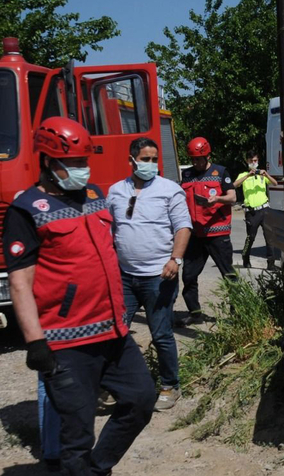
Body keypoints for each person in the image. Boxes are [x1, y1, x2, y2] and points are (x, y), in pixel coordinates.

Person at [3, 117, 155, 474]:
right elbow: (20, 282)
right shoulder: (26, 209)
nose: (81, 169)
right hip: (66, 343)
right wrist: (34, 341)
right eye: (72, 163)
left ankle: (98, 468)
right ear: (47, 162)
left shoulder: (94, 195)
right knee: (77, 434)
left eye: (83, 162)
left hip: (114, 333)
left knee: (141, 400)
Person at [107, 137, 192, 410]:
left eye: (154, 159)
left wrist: (175, 260)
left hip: (159, 277)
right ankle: (114, 384)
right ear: (131, 160)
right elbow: (109, 230)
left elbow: (183, 227)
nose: (151, 164)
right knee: (116, 332)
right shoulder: (115, 191)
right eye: (145, 159)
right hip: (124, 277)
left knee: (161, 333)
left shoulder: (170, 190)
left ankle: (170, 385)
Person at [179, 137, 237, 327]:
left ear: (207, 156)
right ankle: (195, 313)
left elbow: (233, 197)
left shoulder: (220, 172)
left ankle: (238, 314)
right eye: (193, 159)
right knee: (188, 275)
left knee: (229, 275)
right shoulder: (187, 175)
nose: (195, 163)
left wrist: (217, 199)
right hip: (195, 235)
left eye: (199, 159)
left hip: (217, 234)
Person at [234, 150, 279, 270]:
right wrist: (248, 175)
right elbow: (234, 185)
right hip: (251, 212)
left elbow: (275, 183)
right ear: (247, 161)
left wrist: (266, 175)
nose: (254, 163)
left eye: (255, 160)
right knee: (251, 237)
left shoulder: (262, 175)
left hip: (265, 209)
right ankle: (245, 256)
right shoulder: (243, 175)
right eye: (251, 161)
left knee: (269, 237)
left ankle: (271, 263)